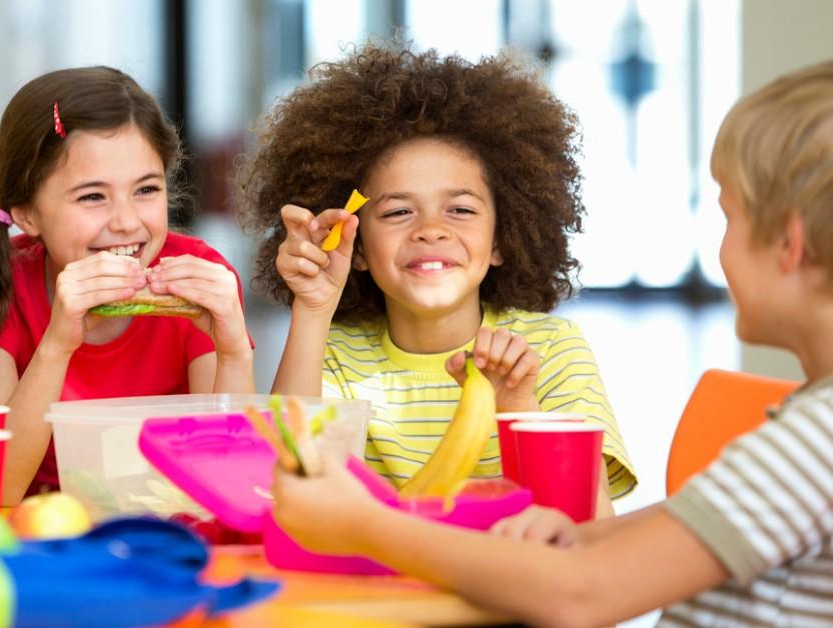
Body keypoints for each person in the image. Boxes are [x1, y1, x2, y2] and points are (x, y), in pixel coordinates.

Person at [272, 59, 833, 627]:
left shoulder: (818, 438)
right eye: (398, 212)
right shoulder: (809, 425)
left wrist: (365, 525)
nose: (431, 229)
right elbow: (629, 537)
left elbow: (582, 595)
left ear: (789, 245)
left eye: (727, 217)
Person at [239, 43, 635, 509]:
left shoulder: (552, 351)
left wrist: (519, 408)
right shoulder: (332, 354)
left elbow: (593, 527)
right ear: (359, 247)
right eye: (399, 211)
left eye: (461, 209)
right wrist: (312, 309)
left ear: (502, 241)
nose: (430, 230)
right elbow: (284, 492)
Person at [0, 67, 254, 506]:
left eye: (146, 190)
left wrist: (233, 351)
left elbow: (231, 482)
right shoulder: (3, 283)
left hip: (168, 527)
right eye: (93, 196)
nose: (127, 222)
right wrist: (57, 343)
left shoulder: (200, 279)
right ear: (27, 215)